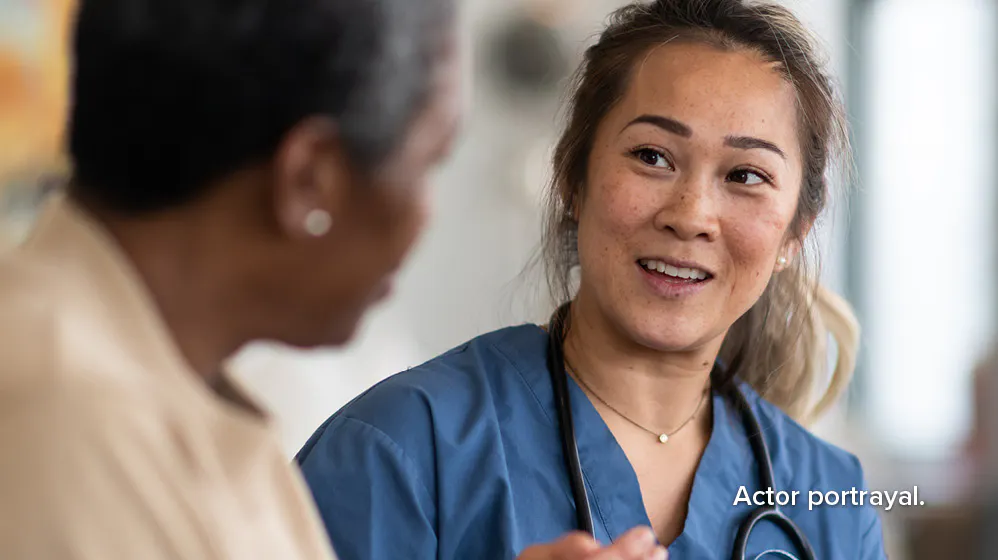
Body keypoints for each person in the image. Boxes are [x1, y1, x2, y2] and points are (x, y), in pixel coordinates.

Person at [296, 0, 888, 558]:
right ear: (572, 181)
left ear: (794, 235)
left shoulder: (831, 501)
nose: (689, 215)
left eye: (745, 175)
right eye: (652, 156)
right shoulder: (395, 451)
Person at [0, 0, 464, 557]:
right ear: (310, 178)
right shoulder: (69, 426)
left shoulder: (152, 385)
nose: (427, 215)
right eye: (428, 163)